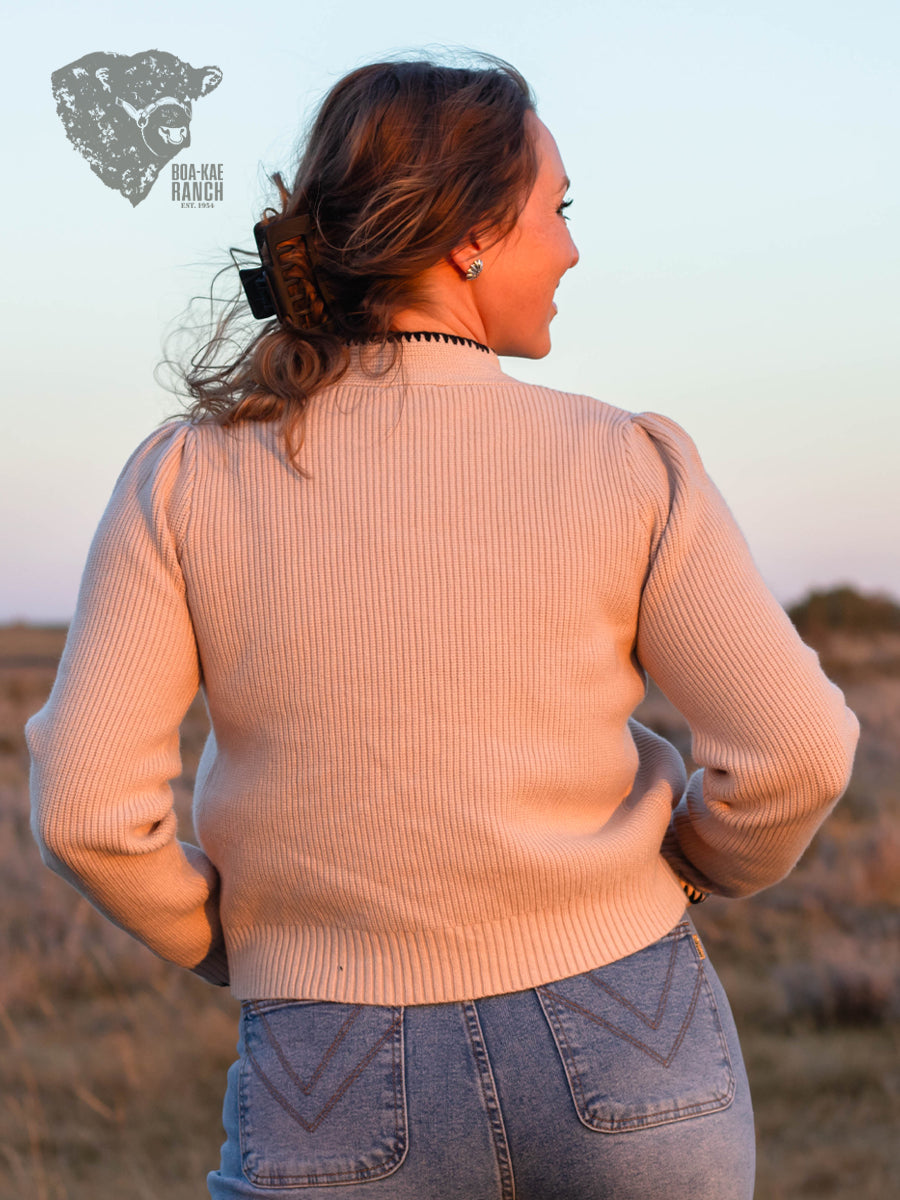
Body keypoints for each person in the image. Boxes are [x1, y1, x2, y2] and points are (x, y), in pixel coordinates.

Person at [27, 52, 859, 1200]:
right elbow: (801, 750)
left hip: (328, 1055)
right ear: (471, 234)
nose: (571, 246)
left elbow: (82, 809)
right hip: (634, 1030)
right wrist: (684, 869)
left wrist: (243, 939)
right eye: (557, 210)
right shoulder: (625, 461)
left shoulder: (186, 476)